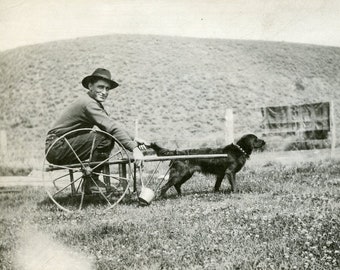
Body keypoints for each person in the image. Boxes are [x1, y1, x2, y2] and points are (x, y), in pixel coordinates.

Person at [45, 68, 148, 193]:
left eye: (107, 89)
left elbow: (110, 123)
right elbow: (110, 128)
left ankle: (91, 182)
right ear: (90, 86)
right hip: (57, 147)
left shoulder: (92, 103)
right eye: (100, 87)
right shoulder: (89, 104)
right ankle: (92, 181)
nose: (104, 92)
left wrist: (133, 138)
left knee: (106, 135)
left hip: (63, 144)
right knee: (105, 137)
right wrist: (134, 149)